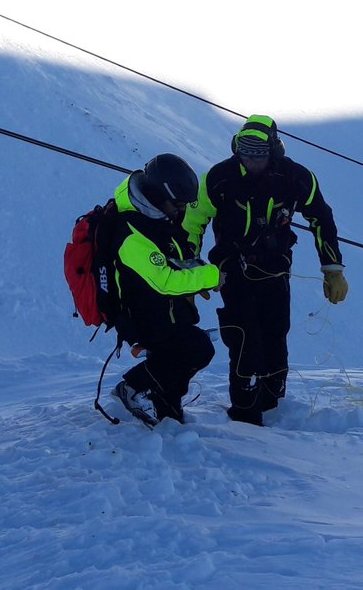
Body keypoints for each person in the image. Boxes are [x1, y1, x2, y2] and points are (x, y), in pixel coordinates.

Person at [183, 115, 348, 426]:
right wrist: (190, 270)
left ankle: (272, 402)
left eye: (258, 154)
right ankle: (245, 411)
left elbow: (321, 219)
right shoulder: (219, 178)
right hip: (231, 267)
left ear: (274, 150)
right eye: (245, 153)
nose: (251, 160)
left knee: (276, 332)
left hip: (275, 269)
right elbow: (192, 223)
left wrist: (332, 269)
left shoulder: (297, 178)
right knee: (244, 335)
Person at [106, 153, 221, 427]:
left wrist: (195, 271)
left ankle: (168, 410)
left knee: (179, 354)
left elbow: (173, 252)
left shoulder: (155, 216)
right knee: (196, 349)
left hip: (164, 310)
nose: (180, 210)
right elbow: (164, 280)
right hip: (141, 316)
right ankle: (132, 389)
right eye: (177, 203)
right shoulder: (131, 233)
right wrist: (212, 276)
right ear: (157, 195)